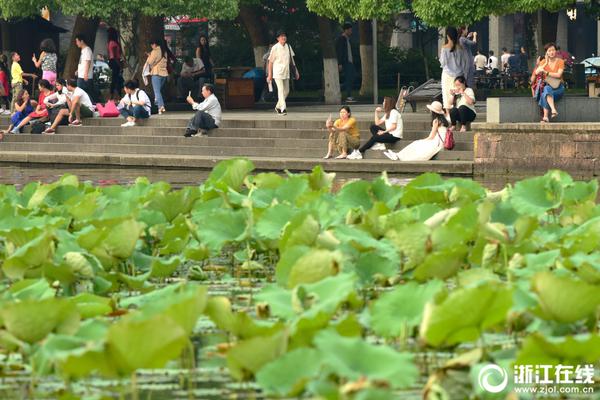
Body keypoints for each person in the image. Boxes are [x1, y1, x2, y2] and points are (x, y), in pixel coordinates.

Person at [384, 101, 449, 161]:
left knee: (416, 143)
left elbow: (432, 136)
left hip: (437, 143)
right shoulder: (443, 120)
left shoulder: (436, 121)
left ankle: (398, 155)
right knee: (417, 143)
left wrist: (423, 140)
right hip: (441, 142)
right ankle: (398, 155)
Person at [267, 30, 299, 116]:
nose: (283, 37)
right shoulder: (275, 48)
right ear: (278, 38)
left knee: (287, 91)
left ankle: (278, 106)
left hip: (286, 72)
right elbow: (270, 62)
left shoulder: (288, 46)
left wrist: (296, 71)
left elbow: (292, 61)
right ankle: (283, 109)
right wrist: (270, 74)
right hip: (277, 72)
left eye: (284, 36)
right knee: (280, 90)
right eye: (281, 36)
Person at [531, 42, 565, 123]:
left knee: (544, 93)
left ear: (556, 51)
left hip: (558, 88)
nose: (551, 52)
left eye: (553, 50)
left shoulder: (560, 61)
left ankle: (546, 116)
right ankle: (552, 111)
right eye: (549, 51)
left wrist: (546, 72)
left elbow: (558, 75)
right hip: (549, 87)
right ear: (546, 52)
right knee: (546, 89)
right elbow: (536, 72)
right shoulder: (543, 62)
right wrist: (546, 62)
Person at [440, 27, 469, 113]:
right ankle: (458, 112)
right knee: (458, 94)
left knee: (446, 94)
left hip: (447, 75)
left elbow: (442, 63)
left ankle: (449, 115)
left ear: (448, 36)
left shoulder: (444, 48)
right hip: (459, 75)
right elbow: (464, 63)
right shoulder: (461, 48)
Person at [146, 38, 169, 115]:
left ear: (155, 44)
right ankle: (159, 103)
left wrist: (149, 56)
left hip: (156, 73)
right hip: (164, 74)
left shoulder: (155, 51)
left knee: (157, 91)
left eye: (152, 44)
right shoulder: (164, 51)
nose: (151, 46)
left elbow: (150, 62)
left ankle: (160, 106)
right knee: (158, 91)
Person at [335, 22, 356, 102]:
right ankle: (348, 95)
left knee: (352, 77)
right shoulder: (341, 39)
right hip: (345, 62)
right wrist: (340, 63)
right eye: (350, 30)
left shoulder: (347, 39)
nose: (351, 31)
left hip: (350, 61)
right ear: (346, 30)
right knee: (349, 78)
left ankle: (343, 89)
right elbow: (340, 52)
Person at [107, 27, 124, 100]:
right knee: (116, 79)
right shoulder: (113, 43)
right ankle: (116, 94)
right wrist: (119, 64)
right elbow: (113, 55)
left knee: (116, 78)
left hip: (114, 61)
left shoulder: (110, 42)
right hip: (115, 61)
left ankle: (114, 94)